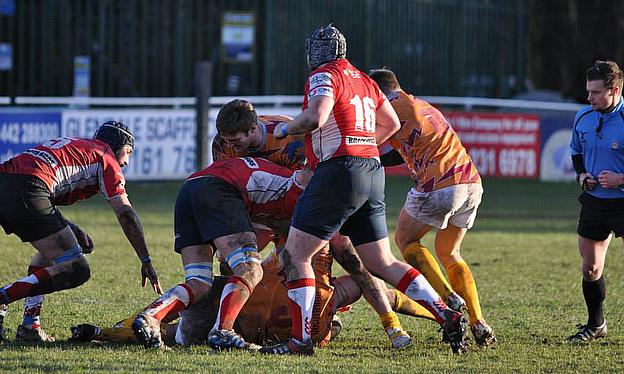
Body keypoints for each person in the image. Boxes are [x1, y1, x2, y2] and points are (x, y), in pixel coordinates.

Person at [259, 25, 467, 356]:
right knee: (382, 261)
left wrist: (285, 129)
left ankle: (300, 341)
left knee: (297, 255)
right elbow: (392, 125)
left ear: (316, 52)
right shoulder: (364, 79)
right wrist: (363, 144)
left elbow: (317, 116)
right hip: (371, 172)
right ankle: (445, 313)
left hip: (339, 173)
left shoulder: (324, 75)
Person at [212, 99, 414, 349]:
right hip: (261, 211)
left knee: (349, 256)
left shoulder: (292, 139)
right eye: (227, 141)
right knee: (231, 259)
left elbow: (316, 183)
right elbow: (226, 185)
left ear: (253, 129)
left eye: (236, 141)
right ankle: (235, 325)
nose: (231, 146)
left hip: (302, 208)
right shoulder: (222, 143)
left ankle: (391, 324)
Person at [69, 246, 438, 348]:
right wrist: (436, 317)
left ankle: (104, 331)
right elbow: (381, 290)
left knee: (188, 304)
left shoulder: (280, 258)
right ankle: (105, 332)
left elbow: (243, 269)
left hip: (237, 319)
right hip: (266, 332)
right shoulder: (334, 291)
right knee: (177, 326)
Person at [0, 121, 162, 342]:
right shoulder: (105, 156)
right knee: (76, 268)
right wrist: (146, 260)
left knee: (52, 255)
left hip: (9, 181)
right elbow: (126, 214)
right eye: (128, 152)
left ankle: (30, 325)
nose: (126, 161)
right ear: (117, 145)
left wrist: (70, 229)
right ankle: (3, 297)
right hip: (30, 187)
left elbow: (40, 183)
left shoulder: (79, 146)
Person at [369, 68, 496, 347]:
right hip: (471, 182)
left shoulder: (390, 108)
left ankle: (448, 298)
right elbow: (397, 153)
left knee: (406, 240)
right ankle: (478, 321)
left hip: (440, 185)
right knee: (450, 252)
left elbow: (373, 145)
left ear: (379, 92)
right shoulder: (421, 105)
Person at [131, 157, 309, 350]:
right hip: (218, 188)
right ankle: (223, 331)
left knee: (199, 283)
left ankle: (151, 316)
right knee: (250, 268)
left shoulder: (273, 195)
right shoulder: (298, 195)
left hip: (190, 189)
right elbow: (287, 244)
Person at [568, 60, 624, 342]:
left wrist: (621, 178)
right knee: (590, 268)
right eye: (588, 91)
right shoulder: (583, 116)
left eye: (595, 92)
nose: (588, 98)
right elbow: (576, 152)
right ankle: (596, 325)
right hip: (594, 202)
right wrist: (582, 177)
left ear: (614, 90)